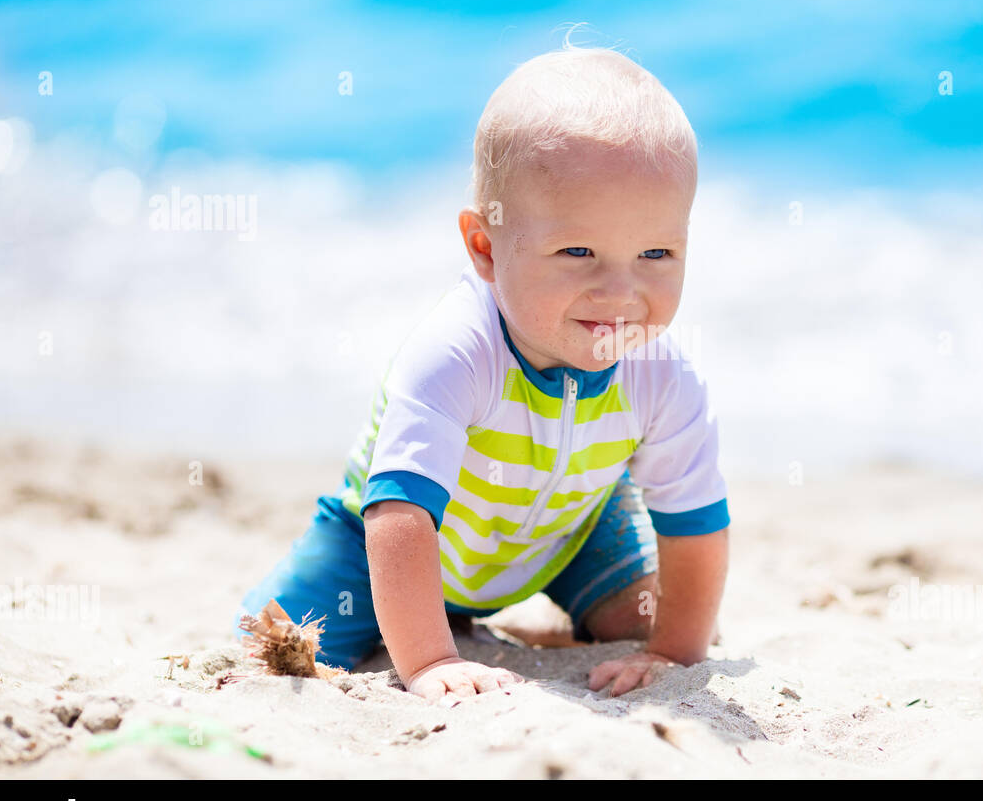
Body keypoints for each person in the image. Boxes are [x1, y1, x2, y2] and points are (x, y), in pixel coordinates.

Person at [234, 43, 730, 701]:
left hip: (568, 531)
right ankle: (432, 625)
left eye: (657, 252)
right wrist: (435, 662)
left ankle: (526, 617)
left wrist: (673, 651)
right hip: (383, 543)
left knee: (643, 619)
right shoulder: (455, 353)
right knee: (270, 642)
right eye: (578, 251)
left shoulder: (663, 374)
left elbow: (694, 520)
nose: (620, 291)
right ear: (485, 247)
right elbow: (399, 516)